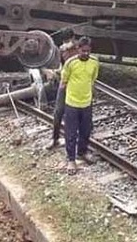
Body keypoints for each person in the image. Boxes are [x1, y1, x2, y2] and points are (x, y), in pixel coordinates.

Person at [61, 36, 99, 175]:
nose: (86, 54)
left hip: (86, 103)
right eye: (83, 51)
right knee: (71, 132)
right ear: (78, 49)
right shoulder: (70, 63)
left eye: (88, 51)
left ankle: (82, 152)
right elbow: (63, 83)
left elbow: (93, 79)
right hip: (72, 103)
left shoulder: (94, 62)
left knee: (86, 130)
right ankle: (71, 159)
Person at [46, 28, 79, 150]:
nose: (67, 43)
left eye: (69, 40)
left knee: (76, 113)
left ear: (73, 38)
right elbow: (62, 66)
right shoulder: (62, 50)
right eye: (65, 41)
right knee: (58, 112)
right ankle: (55, 139)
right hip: (64, 84)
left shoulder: (79, 49)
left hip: (77, 86)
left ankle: (78, 141)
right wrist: (55, 72)